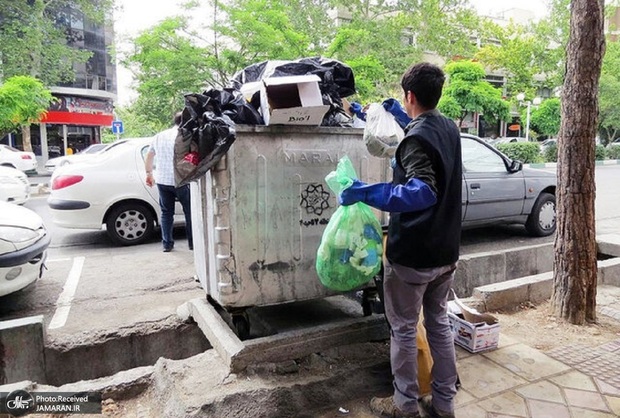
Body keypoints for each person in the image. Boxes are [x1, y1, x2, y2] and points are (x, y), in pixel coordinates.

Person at [340, 62, 462, 418]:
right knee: (438, 324)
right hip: (446, 251)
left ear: (410, 95)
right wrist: (402, 118)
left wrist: (367, 192)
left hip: (415, 255)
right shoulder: (449, 128)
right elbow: (430, 153)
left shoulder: (415, 139)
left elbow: (422, 190)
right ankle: (444, 403)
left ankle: (404, 404)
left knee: (405, 330)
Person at [145, 112, 193, 252]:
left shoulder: (159, 136)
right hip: (181, 180)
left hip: (163, 180)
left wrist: (149, 174)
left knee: (166, 213)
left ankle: (167, 244)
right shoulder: (186, 136)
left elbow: (149, 155)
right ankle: (192, 243)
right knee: (189, 212)